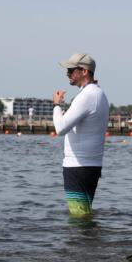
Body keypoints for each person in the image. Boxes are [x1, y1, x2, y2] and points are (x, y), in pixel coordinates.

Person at [53, 53, 109, 218]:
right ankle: (89, 243)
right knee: (84, 215)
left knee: (79, 218)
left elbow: (60, 128)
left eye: (71, 70)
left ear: (84, 71)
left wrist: (57, 104)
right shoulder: (98, 93)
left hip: (78, 166)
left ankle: (82, 243)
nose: (67, 74)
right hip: (90, 165)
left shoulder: (87, 95)